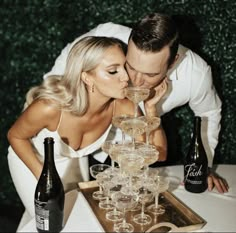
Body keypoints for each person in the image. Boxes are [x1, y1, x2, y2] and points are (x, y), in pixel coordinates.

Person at [43, 13, 228, 194]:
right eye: (130, 67)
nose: (137, 81)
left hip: (133, 153)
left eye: (150, 74)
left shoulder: (196, 74)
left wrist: (203, 166)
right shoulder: (107, 35)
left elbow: (208, 113)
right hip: (75, 141)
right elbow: (57, 74)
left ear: (173, 62)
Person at [7, 36, 167, 229]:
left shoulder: (122, 105)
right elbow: (15, 136)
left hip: (74, 161)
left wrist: (151, 109)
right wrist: (46, 178)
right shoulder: (50, 108)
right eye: (113, 71)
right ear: (86, 77)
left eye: (126, 68)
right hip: (33, 160)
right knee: (53, 222)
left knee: (78, 215)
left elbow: (158, 153)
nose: (126, 77)